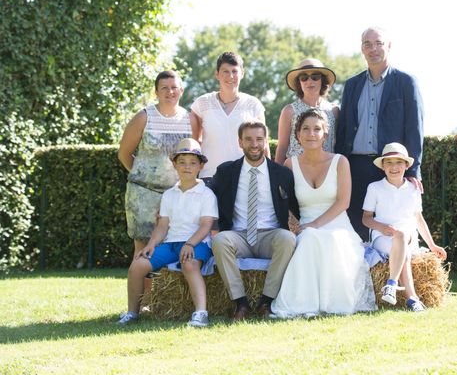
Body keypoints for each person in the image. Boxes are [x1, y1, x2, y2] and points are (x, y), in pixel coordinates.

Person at [271, 109, 377, 318]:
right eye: (306, 129)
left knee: (326, 239)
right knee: (308, 239)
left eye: (317, 129)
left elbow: (343, 202)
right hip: (306, 224)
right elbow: (285, 203)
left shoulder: (340, 162)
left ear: (325, 135)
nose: (311, 134)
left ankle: (334, 304)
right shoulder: (290, 164)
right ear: (298, 135)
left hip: (337, 224)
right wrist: (298, 226)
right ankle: (301, 304)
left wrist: (316, 225)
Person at [335, 27, 425, 242]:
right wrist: (338, 166)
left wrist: (413, 171)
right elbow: (344, 127)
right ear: (362, 49)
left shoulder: (406, 82)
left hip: (390, 166)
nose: (373, 48)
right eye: (367, 44)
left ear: (389, 46)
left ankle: (390, 274)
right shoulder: (352, 85)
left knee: (390, 229)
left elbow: (414, 128)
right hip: (354, 167)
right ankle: (359, 275)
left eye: (379, 43)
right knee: (356, 228)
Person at [118, 138, 217, 327]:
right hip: (171, 244)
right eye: (182, 162)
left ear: (201, 166)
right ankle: (132, 312)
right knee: (137, 265)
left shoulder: (206, 194)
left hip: (198, 244)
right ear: (174, 164)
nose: (187, 167)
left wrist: (190, 244)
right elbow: (162, 226)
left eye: (192, 163)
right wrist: (151, 245)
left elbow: (206, 225)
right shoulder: (169, 194)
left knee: (189, 264)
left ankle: (201, 313)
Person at [209, 120, 299, 321]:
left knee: (288, 239)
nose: (254, 144)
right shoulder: (226, 172)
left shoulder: (282, 174)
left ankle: (266, 302)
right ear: (240, 142)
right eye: (248, 139)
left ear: (266, 141)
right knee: (220, 241)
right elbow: (205, 196)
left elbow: (297, 206)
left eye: (259, 139)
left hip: (270, 234)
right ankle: (240, 303)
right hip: (238, 235)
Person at [362, 142, 447, 312]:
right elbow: (366, 219)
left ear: (406, 165)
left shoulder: (413, 189)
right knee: (402, 248)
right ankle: (410, 297)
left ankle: (393, 286)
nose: (394, 167)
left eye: (399, 162)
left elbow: (419, 219)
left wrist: (432, 245)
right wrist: (381, 226)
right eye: (389, 162)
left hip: (408, 237)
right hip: (382, 238)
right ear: (383, 166)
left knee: (402, 238)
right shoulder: (375, 188)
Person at [118, 70, 192, 255]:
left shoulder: (189, 119)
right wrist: (143, 178)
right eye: (164, 88)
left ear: (181, 91)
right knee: (142, 249)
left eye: (174, 87)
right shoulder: (143, 117)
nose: (170, 92)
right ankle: (138, 285)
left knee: (172, 247)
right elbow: (124, 154)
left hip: (177, 195)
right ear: (156, 92)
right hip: (143, 195)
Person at [191, 51, 266, 180]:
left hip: (244, 176)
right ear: (217, 74)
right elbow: (194, 143)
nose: (230, 76)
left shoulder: (253, 104)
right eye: (225, 71)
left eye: (234, 71)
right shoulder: (202, 103)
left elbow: (262, 144)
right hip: (209, 176)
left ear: (242, 73)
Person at [275, 58, 339, 165]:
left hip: (327, 171)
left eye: (315, 77)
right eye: (304, 78)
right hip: (295, 171)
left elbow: (337, 145)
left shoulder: (334, 110)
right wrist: (277, 176)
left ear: (322, 80)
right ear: (299, 82)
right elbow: (282, 147)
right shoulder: (289, 111)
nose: (310, 81)